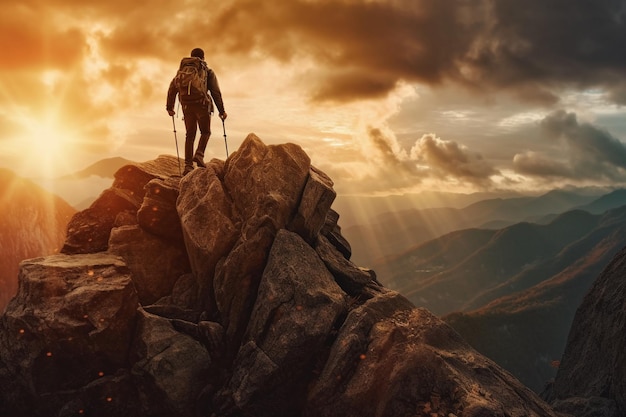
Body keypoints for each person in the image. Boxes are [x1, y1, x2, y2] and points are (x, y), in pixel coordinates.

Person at [166, 48, 227, 175]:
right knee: (205, 132)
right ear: (203, 58)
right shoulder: (207, 71)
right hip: (202, 106)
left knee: (190, 135)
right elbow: (216, 92)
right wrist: (222, 111)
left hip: (187, 107)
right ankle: (199, 154)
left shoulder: (182, 71)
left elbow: (172, 88)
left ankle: (188, 166)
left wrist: (170, 108)